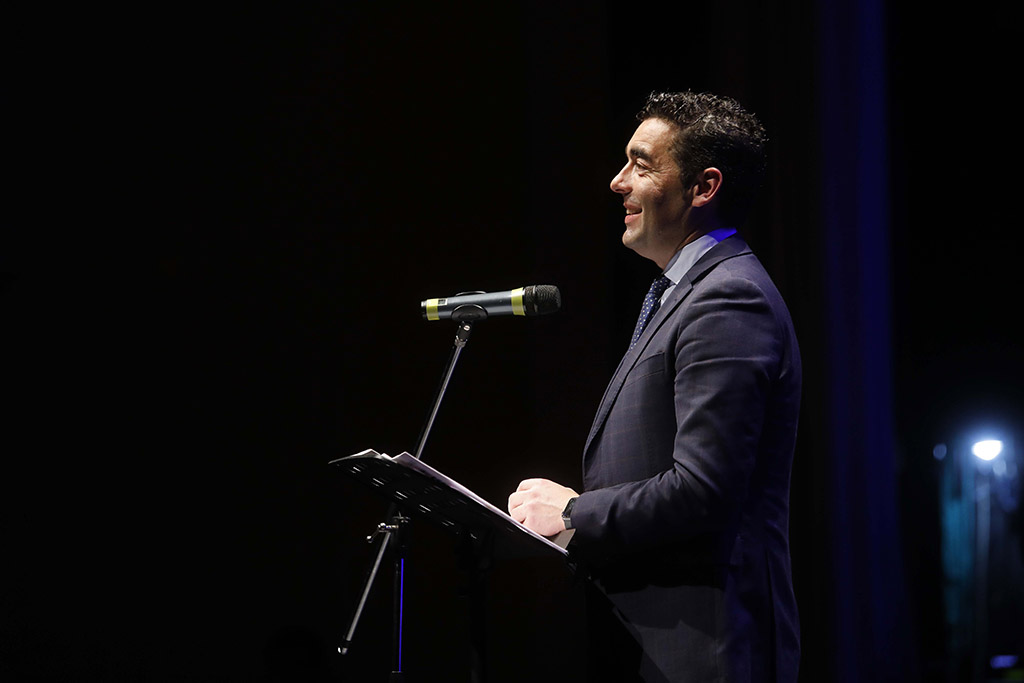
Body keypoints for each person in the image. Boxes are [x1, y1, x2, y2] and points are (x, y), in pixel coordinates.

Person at [507, 91, 801, 682]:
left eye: (641, 165)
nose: (618, 182)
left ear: (703, 187)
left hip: (709, 645)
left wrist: (573, 511)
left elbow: (704, 489)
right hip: (665, 639)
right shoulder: (685, 292)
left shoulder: (728, 297)